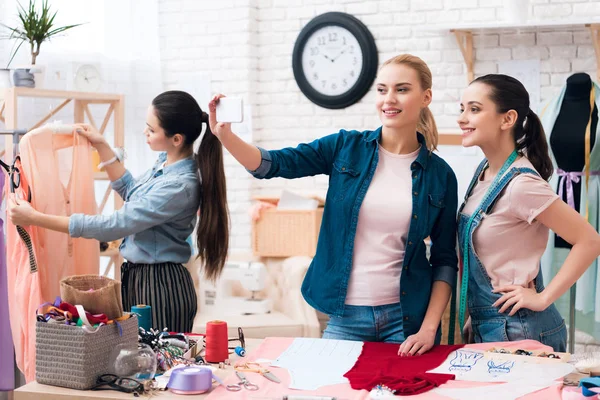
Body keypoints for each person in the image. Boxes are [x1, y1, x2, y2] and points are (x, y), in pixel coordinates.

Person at [209, 54, 458, 356]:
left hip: (405, 320)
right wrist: (226, 136)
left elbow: (445, 259)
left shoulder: (440, 175)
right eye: (382, 90)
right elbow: (274, 164)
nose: (389, 99)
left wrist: (429, 328)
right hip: (345, 317)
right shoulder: (345, 147)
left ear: (426, 97)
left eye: (402, 89)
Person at [8, 90, 230, 333]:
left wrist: (36, 219)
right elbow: (131, 190)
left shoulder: (179, 185)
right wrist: (101, 145)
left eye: (152, 130)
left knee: (160, 362)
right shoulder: (165, 165)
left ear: (176, 139)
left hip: (160, 285)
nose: (145, 132)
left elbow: (114, 225)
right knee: (142, 360)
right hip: (141, 278)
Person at [457, 74, 600, 352]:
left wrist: (543, 298)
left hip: (518, 330)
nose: (462, 118)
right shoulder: (484, 173)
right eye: (461, 109)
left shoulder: (522, 184)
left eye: (474, 109)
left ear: (507, 119)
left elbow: (590, 241)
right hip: (490, 324)